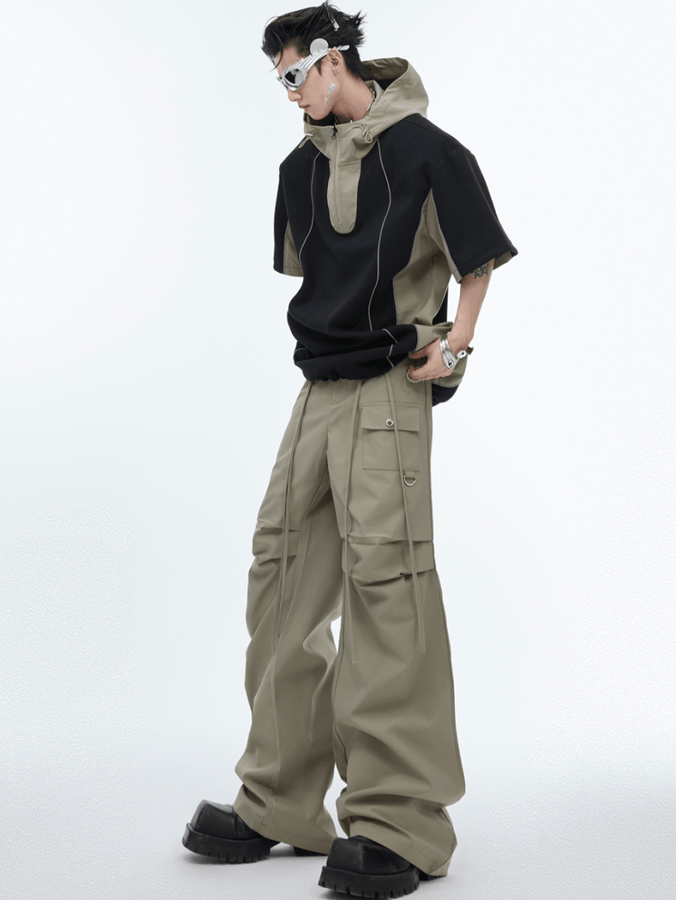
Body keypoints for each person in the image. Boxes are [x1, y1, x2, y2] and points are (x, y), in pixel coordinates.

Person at [182, 3, 517, 896]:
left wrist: (458, 344)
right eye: (280, 81)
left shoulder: (431, 152)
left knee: (387, 587)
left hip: (390, 388)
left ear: (336, 61)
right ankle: (280, 800)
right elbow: (314, 272)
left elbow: (478, 257)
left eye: (296, 74)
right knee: (281, 571)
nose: (289, 93)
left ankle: (400, 821)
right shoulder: (299, 167)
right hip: (317, 391)